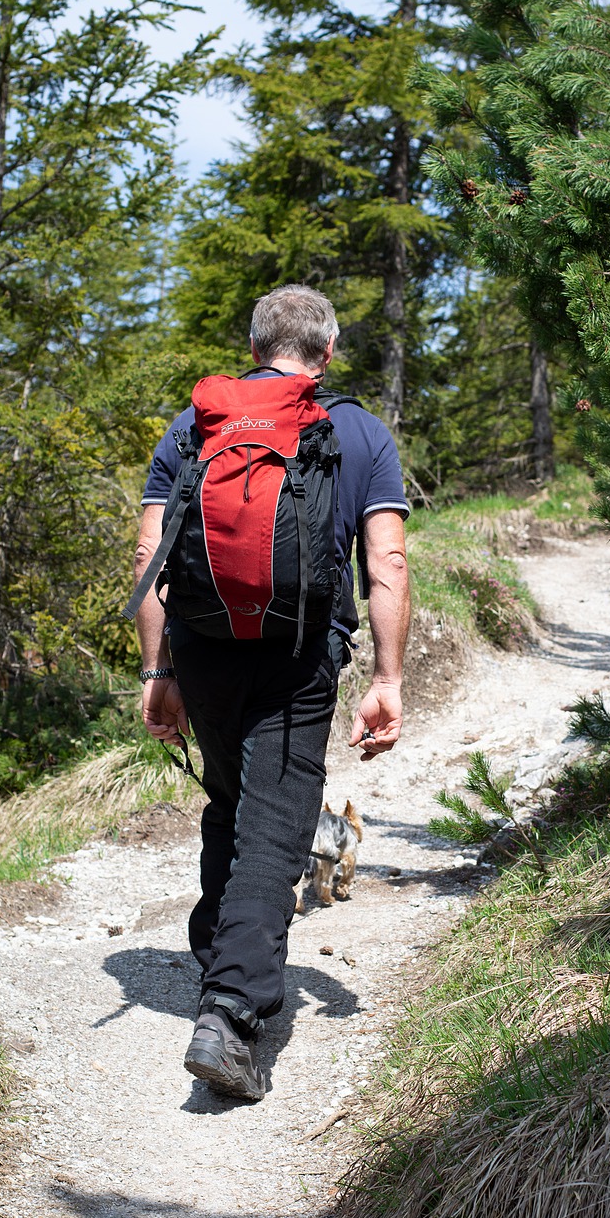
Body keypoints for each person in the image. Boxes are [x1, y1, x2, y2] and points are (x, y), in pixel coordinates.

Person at [131, 284, 410, 1102]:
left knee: (230, 801)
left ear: (254, 348)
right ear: (326, 355)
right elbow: (385, 563)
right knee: (278, 831)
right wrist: (387, 679)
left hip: (205, 647)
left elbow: (151, 551)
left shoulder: (195, 424)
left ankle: (221, 949)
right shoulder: (356, 430)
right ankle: (231, 1012)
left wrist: (159, 672)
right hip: (299, 655)